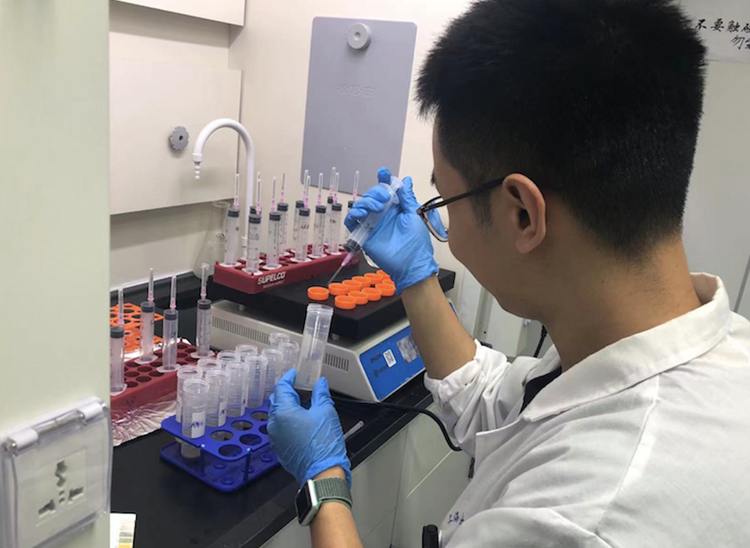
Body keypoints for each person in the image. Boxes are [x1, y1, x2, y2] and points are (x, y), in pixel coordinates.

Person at [268, 0, 750, 545]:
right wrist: (417, 279)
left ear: (522, 213)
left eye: (443, 201)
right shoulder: (706, 351)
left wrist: (324, 482)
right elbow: (499, 406)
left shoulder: (580, 519)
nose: (444, 225)